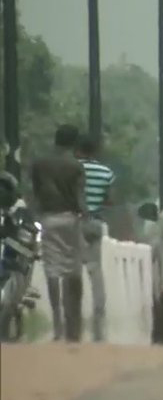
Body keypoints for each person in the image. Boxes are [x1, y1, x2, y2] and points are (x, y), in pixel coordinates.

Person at [28, 124, 87, 342]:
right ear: (73, 143)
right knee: (72, 270)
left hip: (48, 218)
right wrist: (87, 215)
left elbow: (35, 191)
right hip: (70, 219)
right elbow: (80, 198)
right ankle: (73, 321)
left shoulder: (39, 164)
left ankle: (57, 325)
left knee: (52, 270)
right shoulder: (75, 166)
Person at [77, 134, 115, 342]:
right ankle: (98, 311)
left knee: (72, 267)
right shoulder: (105, 172)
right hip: (95, 223)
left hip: (75, 222)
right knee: (95, 269)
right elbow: (110, 200)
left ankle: (72, 312)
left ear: (78, 151)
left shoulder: (72, 169)